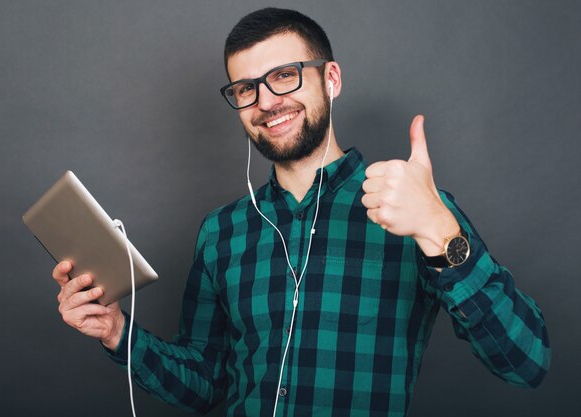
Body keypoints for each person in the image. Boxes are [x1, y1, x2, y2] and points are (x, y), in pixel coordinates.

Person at [52, 8, 550, 417]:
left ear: (330, 79)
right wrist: (118, 333)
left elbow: (528, 361)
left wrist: (441, 230)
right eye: (246, 88)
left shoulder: (413, 208)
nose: (267, 101)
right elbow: (207, 383)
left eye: (284, 76)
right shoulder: (222, 232)